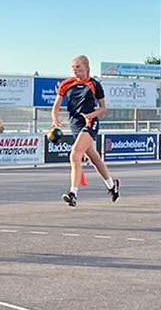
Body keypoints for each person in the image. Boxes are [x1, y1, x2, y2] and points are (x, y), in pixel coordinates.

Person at [50, 55, 119, 207]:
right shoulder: (66, 84)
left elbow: (103, 108)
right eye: (73, 68)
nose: (75, 71)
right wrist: (55, 120)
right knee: (94, 158)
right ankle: (112, 186)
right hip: (75, 123)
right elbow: (55, 108)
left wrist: (91, 115)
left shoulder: (94, 84)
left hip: (90, 122)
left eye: (78, 68)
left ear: (87, 68)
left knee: (75, 154)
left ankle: (73, 193)